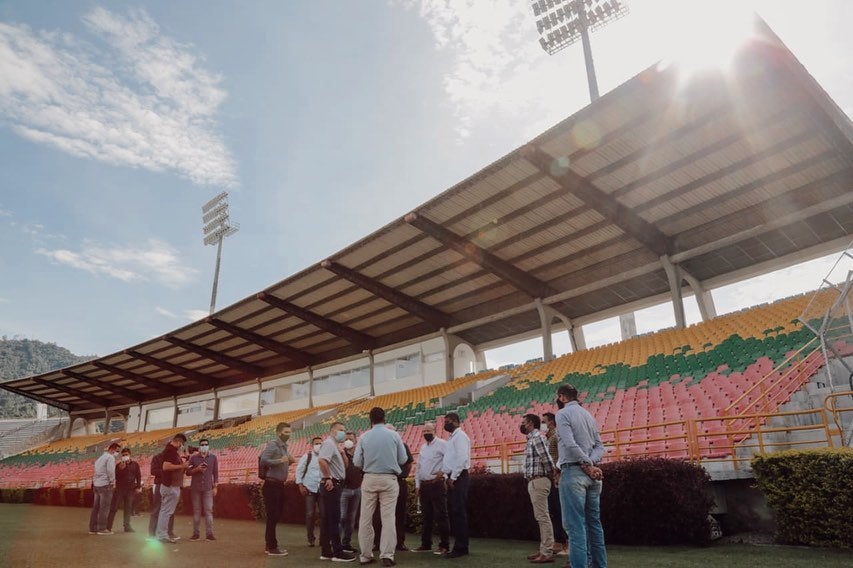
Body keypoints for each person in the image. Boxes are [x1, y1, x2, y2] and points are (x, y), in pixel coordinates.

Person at [555, 384, 607, 568]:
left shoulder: (562, 414)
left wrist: (586, 463)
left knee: (575, 526)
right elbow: (600, 446)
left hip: (573, 472)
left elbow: (569, 443)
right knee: (594, 524)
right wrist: (590, 464)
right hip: (591, 475)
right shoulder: (588, 415)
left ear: (562, 397)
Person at [353, 407, 408, 567]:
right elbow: (403, 459)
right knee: (388, 518)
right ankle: (387, 555)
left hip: (370, 477)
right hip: (389, 478)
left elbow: (356, 462)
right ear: (384, 418)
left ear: (370, 420)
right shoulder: (394, 435)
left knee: (365, 518)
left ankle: (365, 555)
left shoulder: (364, 436)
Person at [317, 422, 356, 562]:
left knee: (329, 519)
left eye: (344, 430)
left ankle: (326, 551)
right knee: (334, 519)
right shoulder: (329, 443)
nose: (343, 433)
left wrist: (342, 452)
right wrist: (328, 477)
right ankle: (337, 552)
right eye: (341, 430)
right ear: (332, 431)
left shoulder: (335, 445)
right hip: (332, 484)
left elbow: (345, 465)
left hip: (335, 483)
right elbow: (322, 461)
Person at [372, 424, 414, 553]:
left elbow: (409, 463)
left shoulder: (403, 446)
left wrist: (402, 475)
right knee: (379, 514)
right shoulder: (378, 447)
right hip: (383, 482)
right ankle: (378, 542)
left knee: (400, 513)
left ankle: (399, 542)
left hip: (399, 482)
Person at [522, 414, 556, 564]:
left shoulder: (536, 438)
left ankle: (547, 551)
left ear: (530, 424)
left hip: (539, 480)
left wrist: (550, 474)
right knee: (541, 517)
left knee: (542, 517)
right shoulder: (533, 438)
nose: (522, 425)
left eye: (524, 423)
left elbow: (547, 459)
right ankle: (544, 549)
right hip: (535, 481)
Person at [413, 421, 450, 555]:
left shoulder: (442, 444)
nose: (426, 433)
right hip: (424, 485)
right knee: (426, 516)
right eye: (424, 431)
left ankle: (444, 545)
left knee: (441, 515)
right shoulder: (423, 447)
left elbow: (450, 460)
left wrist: (444, 474)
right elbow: (418, 467)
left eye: (429, 430)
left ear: (435, 431)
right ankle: (426, 544)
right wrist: (417, 485)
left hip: (436, 484)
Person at [260, 421, 296, 556]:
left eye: (289, 432)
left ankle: (269, 544)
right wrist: (280, 461)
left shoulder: (284, 447)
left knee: (276, 515)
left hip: (279, 485)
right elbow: (263, 460)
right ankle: (272, 546)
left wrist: (288, 462)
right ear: (278, 433)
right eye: (285, 432)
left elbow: (284, 461)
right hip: (272, 485)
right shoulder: (273, 445)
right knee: (272, 516)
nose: (288, 434)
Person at [441, 412, 470, 559]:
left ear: (456, 422)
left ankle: (461, 547)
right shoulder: (452, 438)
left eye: (448, 421)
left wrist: (453, 477)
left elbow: (462, 458)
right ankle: (459, 545)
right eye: (445, 422)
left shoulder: (460, 436)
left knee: (458, 512)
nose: (446, 424)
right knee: (454, 512)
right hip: (452, 476)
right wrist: (447, 477)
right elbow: (449, 459)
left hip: (458, 477)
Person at [541, 412, 567, 556]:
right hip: (551, 477)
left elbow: (560, 456)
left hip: (557, 477)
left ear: (551, 422)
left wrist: (558, 472)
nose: (542, 424)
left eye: (544, 421)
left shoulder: (556, 436)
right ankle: (559, 540)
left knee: (558, 509)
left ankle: (564, 541)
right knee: (554, 510)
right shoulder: (549, 437)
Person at [156, 433, 189, 544]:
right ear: (179, 442)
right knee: (166, 511)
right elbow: (166, 466)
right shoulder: (170, 451)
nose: (181, 446)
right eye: (181, 444)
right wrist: (182, 466)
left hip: (170, 485)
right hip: (170, 485)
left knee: (165, 511)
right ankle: (162, 535)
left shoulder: (171, 451)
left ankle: (162, 534)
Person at [188, 438, 219, 541]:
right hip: (195, 488)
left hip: (208, 488)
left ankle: (209, 534)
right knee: (196, 511)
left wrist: (215, 487)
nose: (204, 446)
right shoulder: (193, 458)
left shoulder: (213, 458)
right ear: (199, 446)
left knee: (208, 511)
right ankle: (196, 534)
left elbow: (216, 473)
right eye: (202, 445)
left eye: (206, 444)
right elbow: (187, 472)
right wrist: (197, 469)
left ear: (208, 446)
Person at [296, 436, 323, 548]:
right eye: (316, 443)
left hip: (322, 489)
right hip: (310, 489)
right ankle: (311, 539)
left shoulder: (326, 457)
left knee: (324, 514)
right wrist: (300, 485)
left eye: (320, 443)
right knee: (310, 514)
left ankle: (323, 539)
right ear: (312, 445)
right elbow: (299, 471)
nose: (318, 445)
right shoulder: (307, 457)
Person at [107, 447, 142, 533]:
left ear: (130, 455)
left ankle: (127, 526)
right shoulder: (118, 465)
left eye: (126, 455)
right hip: (120, 489)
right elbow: (116, 476)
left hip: (130, 490)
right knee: (114, 507)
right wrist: (120, 469)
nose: (125, 456)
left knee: (128, 508)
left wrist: (138, 486)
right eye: (123, 455)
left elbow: (138, 476)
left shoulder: (135, 464)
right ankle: (108, 527)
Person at [89, 442, 119, 535]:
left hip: (97, 484)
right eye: (117, 451)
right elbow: (110, 471)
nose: (117, 453)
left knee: (96, 507)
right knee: (104, 508)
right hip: (105, 485)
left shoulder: (100, 458)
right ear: (112, 449)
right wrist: (112, 482)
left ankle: (92, 528)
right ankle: (102, 528)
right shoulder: (110, 457)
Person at [339, 432, 362, 554]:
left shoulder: (360, 454)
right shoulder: (340, 454)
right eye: (346, 439)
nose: (348, 441)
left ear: (355, 441)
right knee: (341, 517)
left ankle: (346, 544)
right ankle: (336, 544)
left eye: (350, 439)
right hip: (344, 489)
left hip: (357, 489)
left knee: (351, 519)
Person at [148, 451, 175, 539]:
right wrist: (165, 471)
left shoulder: (175, 457)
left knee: (170, 510)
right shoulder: (157, 457)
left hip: (172, 485)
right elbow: (153, 471)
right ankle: (152, 533)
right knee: (156, 509)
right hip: (160, 484)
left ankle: (169, 532)